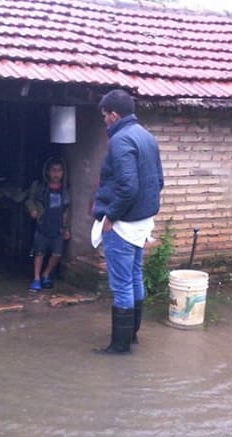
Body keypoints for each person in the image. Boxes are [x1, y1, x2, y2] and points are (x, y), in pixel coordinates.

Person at [92, 89, 164, 354]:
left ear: (114, 114)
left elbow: (127, 186)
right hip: (142, 222)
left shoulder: (121, 140)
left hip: (122, 224)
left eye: (104, 116)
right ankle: (131, 336)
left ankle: (119, 346)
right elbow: (159, 182)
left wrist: (110, 216)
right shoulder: (147, 137)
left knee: (121, 284)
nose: (104, 122)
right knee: (135, 276)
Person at [25, 157, 71, 292]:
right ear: (48, 172)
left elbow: (67, 210)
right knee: (39, 253)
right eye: (53, 170)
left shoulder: (65, 190)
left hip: (58, 227)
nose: (56, 174)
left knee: (57, 254)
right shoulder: (40, 187)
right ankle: (36, 278)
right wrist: (33, 210)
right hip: (43, 225)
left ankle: (46, 274)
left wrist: (67, 227)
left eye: (59, 170)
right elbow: (29, 200)